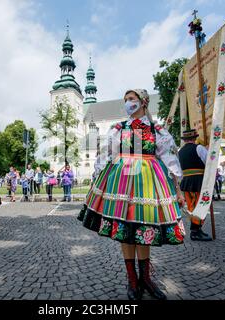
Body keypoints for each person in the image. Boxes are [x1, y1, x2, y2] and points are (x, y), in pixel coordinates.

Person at [78, 89, 185, 301]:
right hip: (121, 182)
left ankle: (145, 279)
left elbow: (170, 161)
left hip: (148, 183)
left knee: (143, 228)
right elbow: (105, 155)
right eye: (126, 100)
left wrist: (178, 191)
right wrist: (96, 180)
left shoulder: (157, 130)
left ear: (143, 102)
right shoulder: (118, 129)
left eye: (132, 99)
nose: (128, 103)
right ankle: (132, 280)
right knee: (124, 229)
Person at [178, 129, 212, 241]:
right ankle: (196, 230)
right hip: (198, 180)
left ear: (185, 139)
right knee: (200, 205)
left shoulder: (180, 151)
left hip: (187, 181)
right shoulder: (199, 148)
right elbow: (209, 162)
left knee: (192, 206)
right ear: (194, 138)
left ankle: (196, 229)